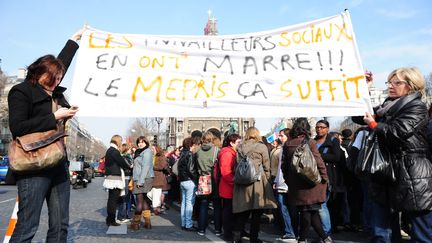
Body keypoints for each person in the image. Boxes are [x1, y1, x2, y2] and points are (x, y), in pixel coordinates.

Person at [7, 27, 84, 242]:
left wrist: (73, 40)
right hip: (33, 165)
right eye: (53, 77)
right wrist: (55, 117)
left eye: (59, 77)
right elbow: (18, 127)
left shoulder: (54, 90)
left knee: (60, 225)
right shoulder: (21, 91)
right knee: (27, 226)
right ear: (39, 73)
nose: (57, 81)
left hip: (58, 162)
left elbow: (62, 62)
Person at [356, 67, 432, 242]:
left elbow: (397, 132)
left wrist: (374, 124)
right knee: (382, 232)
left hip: (413, 174)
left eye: (397, 82)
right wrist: (364, 89)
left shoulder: (417, 107)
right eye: (389, 82)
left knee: (421, 232)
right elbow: (358, 116)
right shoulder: (385, 106)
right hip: (385, 172)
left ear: (411, 85)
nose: (391, 86)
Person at [281, 118, 332, 243]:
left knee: (310, 212)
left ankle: (322, 238)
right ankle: (305, 239)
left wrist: (289, 181)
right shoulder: (310, 142)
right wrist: (325, 178)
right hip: (313, 183)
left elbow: (284, 166)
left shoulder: (288, 144)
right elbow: (319, 162)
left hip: (297, 185)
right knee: (308, 213)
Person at [232, 127, 277, 243]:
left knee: (243, 211)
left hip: (242, 184)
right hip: (257, 182)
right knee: (257, 212)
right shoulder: (261, 146)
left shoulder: (240, 147)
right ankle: (253, 238)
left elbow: (237, 164)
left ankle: (236, 237)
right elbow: (267, 166)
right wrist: (267, 180)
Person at [314, 120, 343, 235]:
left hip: (327, 176)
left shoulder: (333, 140)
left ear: (327, 129)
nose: (319, 129)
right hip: (313, 176)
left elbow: (336, 157)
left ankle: (326, 233)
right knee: (318, 206)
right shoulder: (313, 141)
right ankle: (322, 232)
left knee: (322, 204)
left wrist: (319, 155)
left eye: (322, 127)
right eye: (317, 127)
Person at [196, 131, 221, 236]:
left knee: (203, 205)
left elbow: (196, 167)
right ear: (211, 139)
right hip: (214, 179)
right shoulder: (216, 150)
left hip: (202, 179)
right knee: (216, 205)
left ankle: (201, 229)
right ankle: (218, 230)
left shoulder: (198, 151)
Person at [103, 135, 132, 226]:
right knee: (113, 200)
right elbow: (122, 162)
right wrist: (130, 166)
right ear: (118, 141)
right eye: (121, 140)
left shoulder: (109, 150)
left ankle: (110, 219)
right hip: (115, 178)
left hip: (111, 177)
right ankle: (111, 220)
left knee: (112, 199)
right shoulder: (114, 151)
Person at [218, 133, 241, 241]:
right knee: (228, 212)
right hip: (228, 187)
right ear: (231, 143)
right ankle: (227, 234)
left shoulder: (231, 152)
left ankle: (230, 232)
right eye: (238, 142)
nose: (240, 144)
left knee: (231, 211)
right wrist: (235, 182)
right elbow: (226, 172)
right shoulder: (227, 153)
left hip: (230, 187)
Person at [129, 136, 154, 230]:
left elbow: (146, 167)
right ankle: (147, 223)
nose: (140, 144)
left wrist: (140, 181)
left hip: (143, 179)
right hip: (140, 178)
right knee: (143, 201)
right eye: (139, 142)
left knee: (139, 201)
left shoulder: (147, 151)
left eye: (142, 142)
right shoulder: (140, 152)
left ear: (146, 143)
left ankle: (135, 223)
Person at [178, 136, 201, 231]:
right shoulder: (190, 154)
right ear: (191, 144)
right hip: (189, 181)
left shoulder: (182, 154)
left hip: (183, 181)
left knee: (184, 203)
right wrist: (196, 179)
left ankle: (184, 223)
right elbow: (191, 169)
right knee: (189, 203)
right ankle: (188, 224)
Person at [117, 143, 133, 223]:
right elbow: (129, 166)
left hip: (127, 178)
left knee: (126, 198)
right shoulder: (124, 157)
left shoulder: (126, 157)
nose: (131, 150)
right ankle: (121, 216)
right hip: (126, 178)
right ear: (126, 150)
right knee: (124, 198)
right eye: (130, 149)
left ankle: (124, 215)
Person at [152, 145, 170, 215]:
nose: (152, 150)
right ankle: (157, 208)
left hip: (159, 178)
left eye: (153, 149)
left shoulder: (161, 157)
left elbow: (162, 166)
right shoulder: (153, 156)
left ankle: (157, 209)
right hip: (153, 178)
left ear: (157, 149)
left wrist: (152, 167)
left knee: (157, 193)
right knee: (152, 194)